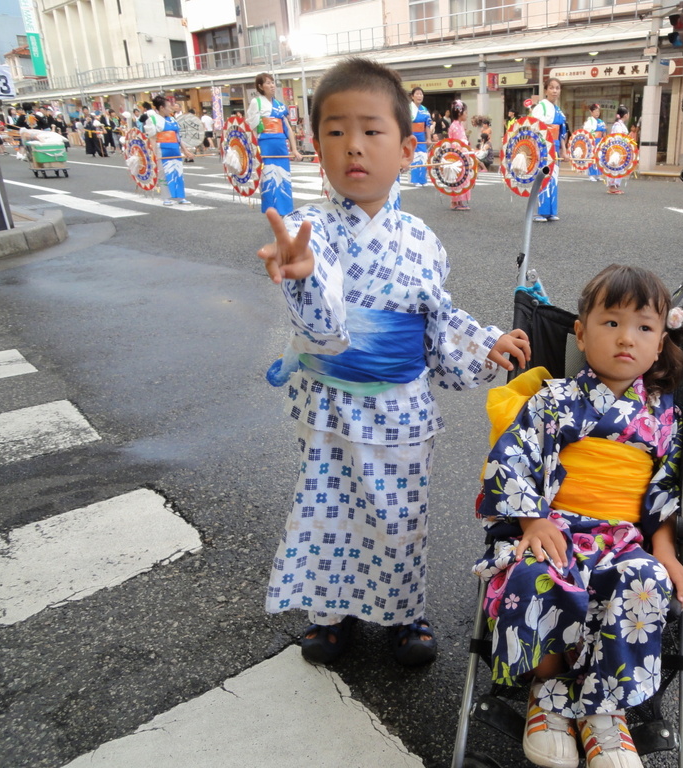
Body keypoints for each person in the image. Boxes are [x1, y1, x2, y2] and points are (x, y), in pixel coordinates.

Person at [255, 57, 531, 668]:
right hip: (328, 402)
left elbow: (438, 320)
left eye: (372, 130)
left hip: (399, 407)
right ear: (316, 145)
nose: (353, 145)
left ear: (407, 148)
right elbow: (322, 311)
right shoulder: (311, 231)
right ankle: (330, 615)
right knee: (327, 507)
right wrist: (302, 278)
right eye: (335, 130)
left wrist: (487, 342)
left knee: (399, 513)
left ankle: (403, 611)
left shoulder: (422, 242)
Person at [475, 264, 683, 768]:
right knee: (531, 573)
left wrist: (663, 550)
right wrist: (531, 520)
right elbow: (514, 456)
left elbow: (664, 489)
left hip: (623, 537)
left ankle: (605, 710)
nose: (626, 339)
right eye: (611, 323)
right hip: (559, 525)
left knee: (646, 581)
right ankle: (547, 691)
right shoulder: (554, 399)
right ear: (580, 332)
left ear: (659, 344)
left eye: (643, 328)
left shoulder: (663, 416)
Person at [247, 73, 299, 216]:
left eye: (272, 82)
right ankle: (272, 211)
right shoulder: (256, 102)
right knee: (268, 177)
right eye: (268, 83)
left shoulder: (280, 106)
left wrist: (294, 149)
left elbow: (288, 128)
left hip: (281, 144)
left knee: (284, 177)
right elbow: (251, 126)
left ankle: (286, 210)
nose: (272, 85)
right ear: (260, 86)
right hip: (265, 144)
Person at [145, 95, 195, 205]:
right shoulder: (153, 119)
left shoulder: (172, 119)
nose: (171, 108)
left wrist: (185, 150)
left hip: (175, 148)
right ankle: (165, 197)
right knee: (164, 173)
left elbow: (178, 137)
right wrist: (153, 154)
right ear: (162, 107)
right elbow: (152, 138)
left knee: (178, 172)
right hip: (162, 149)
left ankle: (180, 196)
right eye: (168, 106)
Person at [531, 77, 568, 222]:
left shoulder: (558, 110)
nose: (554, 91)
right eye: (551, 87)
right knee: (544, 177)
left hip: (556, 146)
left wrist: (564, 151)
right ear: (546, 90)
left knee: (554, 177)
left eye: (557, 88)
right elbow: (535, 127)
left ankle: (551, 211)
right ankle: (541, 211)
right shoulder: (541, 107)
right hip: (544, 146)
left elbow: (562, 133)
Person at [448, 99, 472, 210]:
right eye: (466, 112)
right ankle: (455, 202)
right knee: (459, 178)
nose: (467, 115)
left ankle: (459, 202)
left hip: (462, 155)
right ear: (459, 113)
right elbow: (454, 143)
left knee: (462, 178)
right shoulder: (454, 126)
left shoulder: (458, 125)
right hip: (458, 156)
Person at [408, 87, 433, 187]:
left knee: (423, 157)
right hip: (411, 135)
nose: (419, 96)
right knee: (414, 158)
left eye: (421, 94)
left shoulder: (424, 110)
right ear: (412, 96)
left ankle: (422, 180)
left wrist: (429, 138)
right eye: (417, 94)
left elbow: (427, 125)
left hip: (421, 136)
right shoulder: (408, 108)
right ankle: (415, 180)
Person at [606, 105, 630, 194]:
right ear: (625, 115)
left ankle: (614, 186)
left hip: (620, 148)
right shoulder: (618, 125)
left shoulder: (620, 124)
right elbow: (618, 137)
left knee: (618, 167)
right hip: (617, 149)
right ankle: (612, 187)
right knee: (615, 166)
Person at [582, 103, 606, 183]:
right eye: (595, 111)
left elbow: (604, 132)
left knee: (599, 158)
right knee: (592, 157)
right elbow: (586, 132)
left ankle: (598, 174)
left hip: (600, 141)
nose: (597, 113)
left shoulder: (601, 122)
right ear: (591, 112)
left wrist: (604, 140)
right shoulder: (589, 122)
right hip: (592, 141)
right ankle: (591, 175)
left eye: (598, 111)